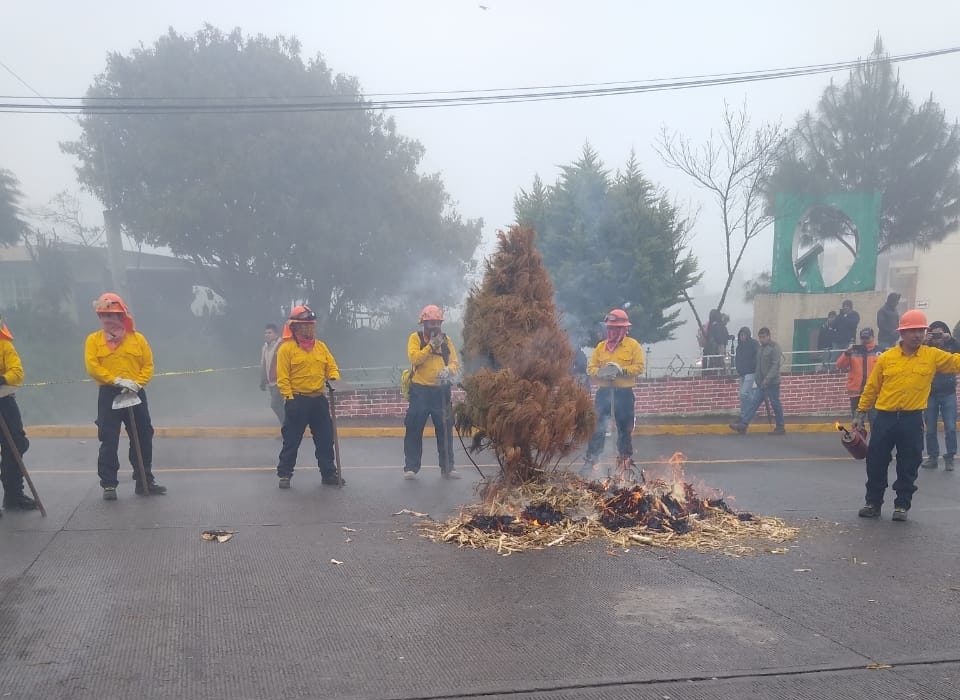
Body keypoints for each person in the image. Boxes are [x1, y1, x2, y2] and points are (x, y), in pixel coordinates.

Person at [854, 310, 960, 521]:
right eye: (912, 330)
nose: (917, 335)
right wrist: (860, 412)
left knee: (909, 463)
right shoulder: (886, 358)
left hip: (912, 419)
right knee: (876, 462)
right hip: (884, 417)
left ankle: (902, 505)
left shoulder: (932, 355)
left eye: (921, 330)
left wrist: (952, 340)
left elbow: (957, 362)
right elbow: (872, 387)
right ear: (902, 333)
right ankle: (873, 503)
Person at [85, 293, 165, 499]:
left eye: (112, 314)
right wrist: (115, 380)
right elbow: (92, 367)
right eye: (103, 315)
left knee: (143, 436)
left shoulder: (137, 339)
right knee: (109, 439)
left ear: (122, 315)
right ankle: (109, 485)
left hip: (135, 391)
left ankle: (144, 480)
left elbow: (148, 365)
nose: (107, 319)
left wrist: (137, 383)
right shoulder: (93, 340)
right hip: (109, 393)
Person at [275, 305, 342, 489]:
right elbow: (283, 377)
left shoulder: (321, 347)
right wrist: (289, 398)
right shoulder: (286, 349)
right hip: (297, 399)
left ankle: (329, 473)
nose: (309, 329)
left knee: (325, 439)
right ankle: (285, 474)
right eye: (305, 325)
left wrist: (334, 378)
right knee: (291, 440)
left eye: (311, 325)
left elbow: (332, 367)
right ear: (295, 327)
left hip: (318, 399)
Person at [582, 309, 645, 473]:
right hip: (604, 392)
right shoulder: (600, 347)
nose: (612, 332)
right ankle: (591, 460)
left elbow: (639, 367)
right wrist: (601, 372)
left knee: (624, 428)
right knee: (598, 426)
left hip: (623, 393)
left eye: (616, 329)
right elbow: (591, 367)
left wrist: (621, 371)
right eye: (610, 328)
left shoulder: (633, 346)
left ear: (625, 329)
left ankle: (624, 460)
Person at [403, 304, 461, 480]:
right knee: (414, 428)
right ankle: (411, 468)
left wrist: (448, 371)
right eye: (431, 323)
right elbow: (415, 359)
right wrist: (430, 346)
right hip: (420, 390)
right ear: (423, 324)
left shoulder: (447, 340)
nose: (434, 326)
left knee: (445, 430)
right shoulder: (415, 338)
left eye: (437, 323)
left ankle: (448, 468)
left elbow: (454, 362)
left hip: (441, 391)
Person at [0, 315, 37, 512]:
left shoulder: (4, 345)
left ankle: (13, 495)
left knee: (16, 444)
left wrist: (2, 378)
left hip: (5, 402)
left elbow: (17, 372)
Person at [729, 327, 785, 435]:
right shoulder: (760, 348)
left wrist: (767, 379)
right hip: (761, 384)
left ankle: (780, 427)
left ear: (769, 336)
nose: (761, 339)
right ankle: (743, 425)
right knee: (753, 404)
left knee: (775, 404)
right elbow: (758, 366)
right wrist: (759, 380)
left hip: (772, 383)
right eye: (760, 337)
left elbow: (775, 365)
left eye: (764, 337)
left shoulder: (774, 348)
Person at [921, 321, 959, 471]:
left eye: (939, 333)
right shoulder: (926, 347)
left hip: (948, 392)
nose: (937, 337)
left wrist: (950, 339)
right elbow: (915, 355)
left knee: (950, 427)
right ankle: (932, 457)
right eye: (934, 334)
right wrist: (925, 342)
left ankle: (949, 458)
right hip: (930, 393)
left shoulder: (950, 345)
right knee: (930, 428)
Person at [835, 327, 882, 421]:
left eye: (867, 338)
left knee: (876, 422)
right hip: (856, 393)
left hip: (873, 393)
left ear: (873, 337)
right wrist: (847, 353)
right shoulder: (853, 351)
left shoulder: (879, 351)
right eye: (863, 338)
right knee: (857, 424)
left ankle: (876, 436)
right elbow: (840, 365)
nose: (865, 340)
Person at [259, 323, 283, 423]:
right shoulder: (264, 348)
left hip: (280, 381)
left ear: (276, 334)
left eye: (270, 332)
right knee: (280, 405)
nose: (267, 335)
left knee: (275, 405)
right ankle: (286, 428)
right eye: (265, 333)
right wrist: (263, 380)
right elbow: (264, 364)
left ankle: (287, 427)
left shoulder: (281, 345)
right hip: (271, 382)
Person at [734, 327, 759, 418]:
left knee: (743, 393)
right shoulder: (739, 347)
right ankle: (751, 411)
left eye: (744, 335)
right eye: (741, 335)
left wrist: (753, 366)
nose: (742, 337)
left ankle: (745, 413)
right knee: (747, 393)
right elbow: (737, 359)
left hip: (751, 372)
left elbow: (757, 356)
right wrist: (738, 369)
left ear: (748, 335)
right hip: (742, 373)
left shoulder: (754, 344)